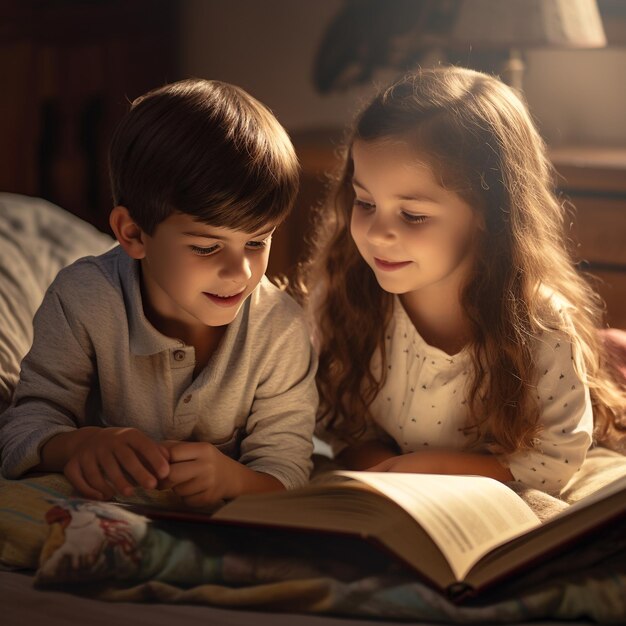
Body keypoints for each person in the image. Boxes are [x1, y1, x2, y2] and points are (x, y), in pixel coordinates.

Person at [302, 66, 625, 493]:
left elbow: (554, 459)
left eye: (412, 214)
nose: (378, 233)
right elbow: (339, 427)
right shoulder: (343, 296)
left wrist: (431, 469)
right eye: (364, 202)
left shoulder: (542, 324)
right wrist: (383, 468)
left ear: (489, 215)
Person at [0, 79, 317, 507]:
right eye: (207, 247)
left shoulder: (280, 329)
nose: (240, 271)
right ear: (133, 233)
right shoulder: (85, 299)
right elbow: (23, 428)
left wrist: (236, 481)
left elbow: (290, 470)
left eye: (257, 242)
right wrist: (81, 445)